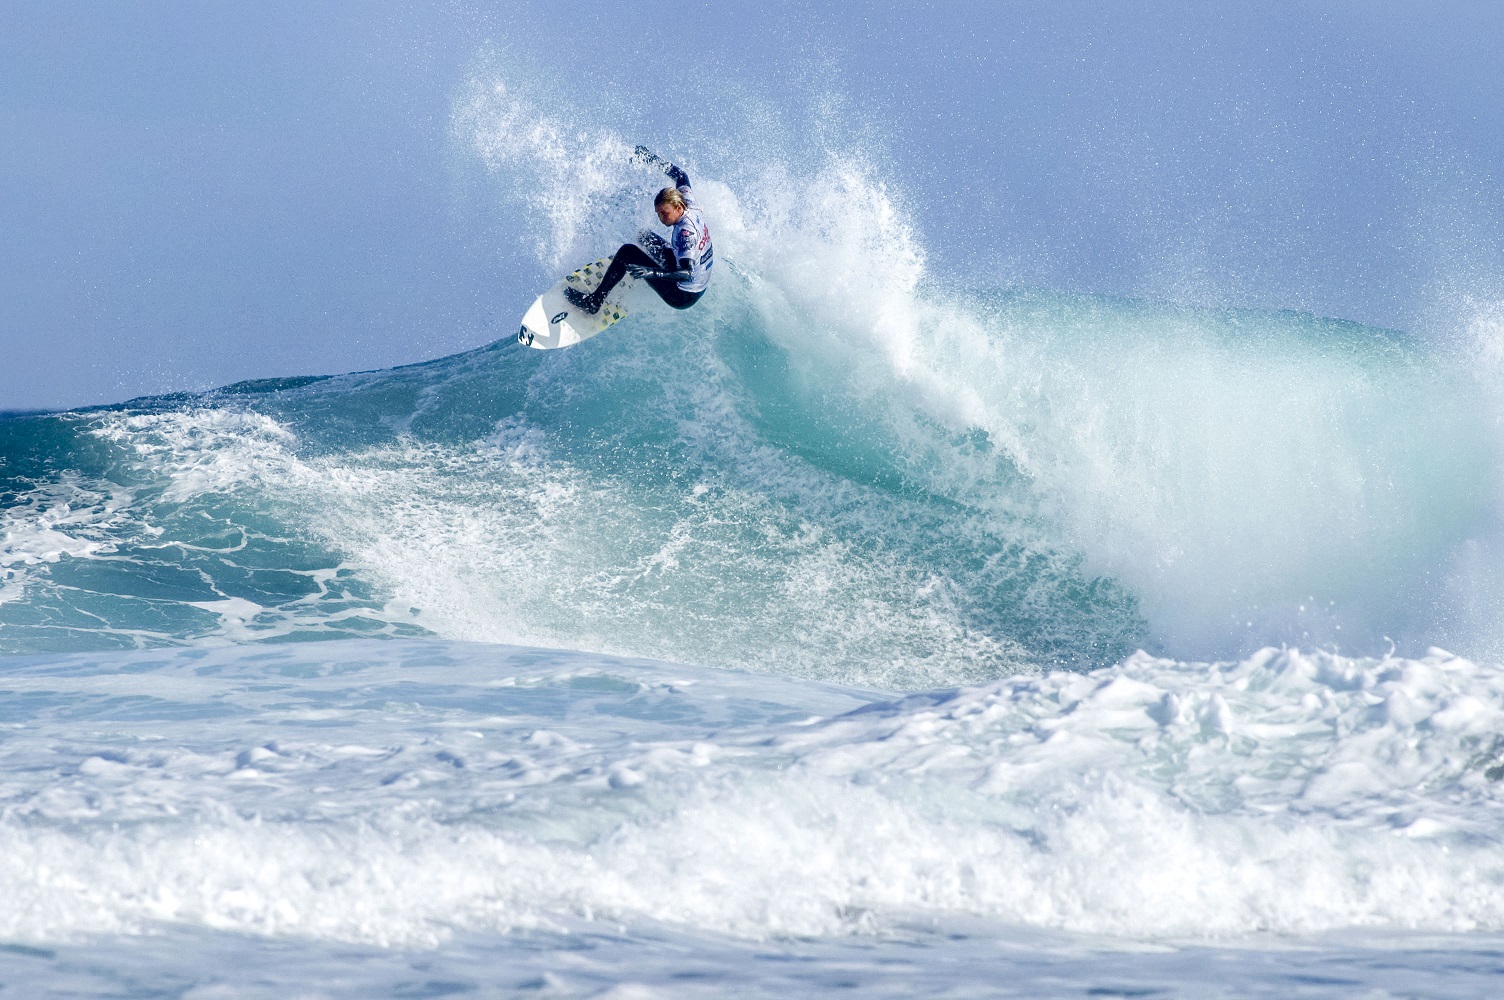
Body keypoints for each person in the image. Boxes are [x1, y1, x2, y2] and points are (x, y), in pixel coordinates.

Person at [564, 146, 713, 315]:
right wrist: (651, 158)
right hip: (700, 282)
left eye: (665, 214)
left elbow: (686, 273)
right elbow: (681, 176)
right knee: (645, 237)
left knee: (628, 251)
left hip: (683, 295)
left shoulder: (686, 233)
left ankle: (594, 302)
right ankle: (626, 268)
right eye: (658, 214)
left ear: (678, 207)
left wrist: (651, 272)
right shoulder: (689, 202)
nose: (661, 219)